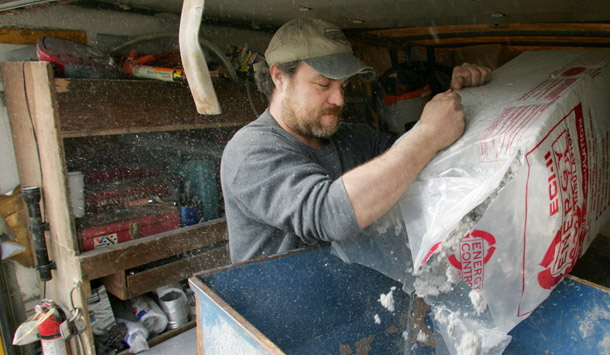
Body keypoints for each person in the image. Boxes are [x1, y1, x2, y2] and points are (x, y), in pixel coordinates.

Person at [221, 17, 492, 263]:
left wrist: (459, 97)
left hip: (356, 303)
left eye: (344, 86)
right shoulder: (249, 151)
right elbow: (329, 215)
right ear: (279, 77)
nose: (339, 100)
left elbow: (416, 162)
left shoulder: (355, 137)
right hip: (279, 314)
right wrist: (427, 134)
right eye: (324, 84)